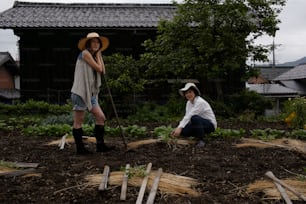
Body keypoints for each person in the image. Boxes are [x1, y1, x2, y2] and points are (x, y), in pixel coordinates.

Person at [71, 32, 115, 154]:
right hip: (80, 92)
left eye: (98, 42)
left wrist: (99, 55)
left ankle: (100, 146)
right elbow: (99, 69)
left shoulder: (95, 56)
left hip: (91, 94)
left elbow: (103, 71)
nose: (96, 44)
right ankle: (80, 149)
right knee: (79, 121)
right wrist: (99, 55)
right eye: (93, 42)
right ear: (88, 44)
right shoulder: (85, 54)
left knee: (101, 117)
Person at [171, 82, 217, 147]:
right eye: (186, 93)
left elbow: (190, 115)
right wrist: (179, 128)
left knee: (194, 117)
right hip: (198, 124)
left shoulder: (200, 102)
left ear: (195, 92)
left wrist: (179, 128)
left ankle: (201, 140)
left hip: (209, 125)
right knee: (184, 131)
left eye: (190, 92)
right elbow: (187, 116)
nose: (188, 94)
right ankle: (197, 133)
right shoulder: (189, 103)